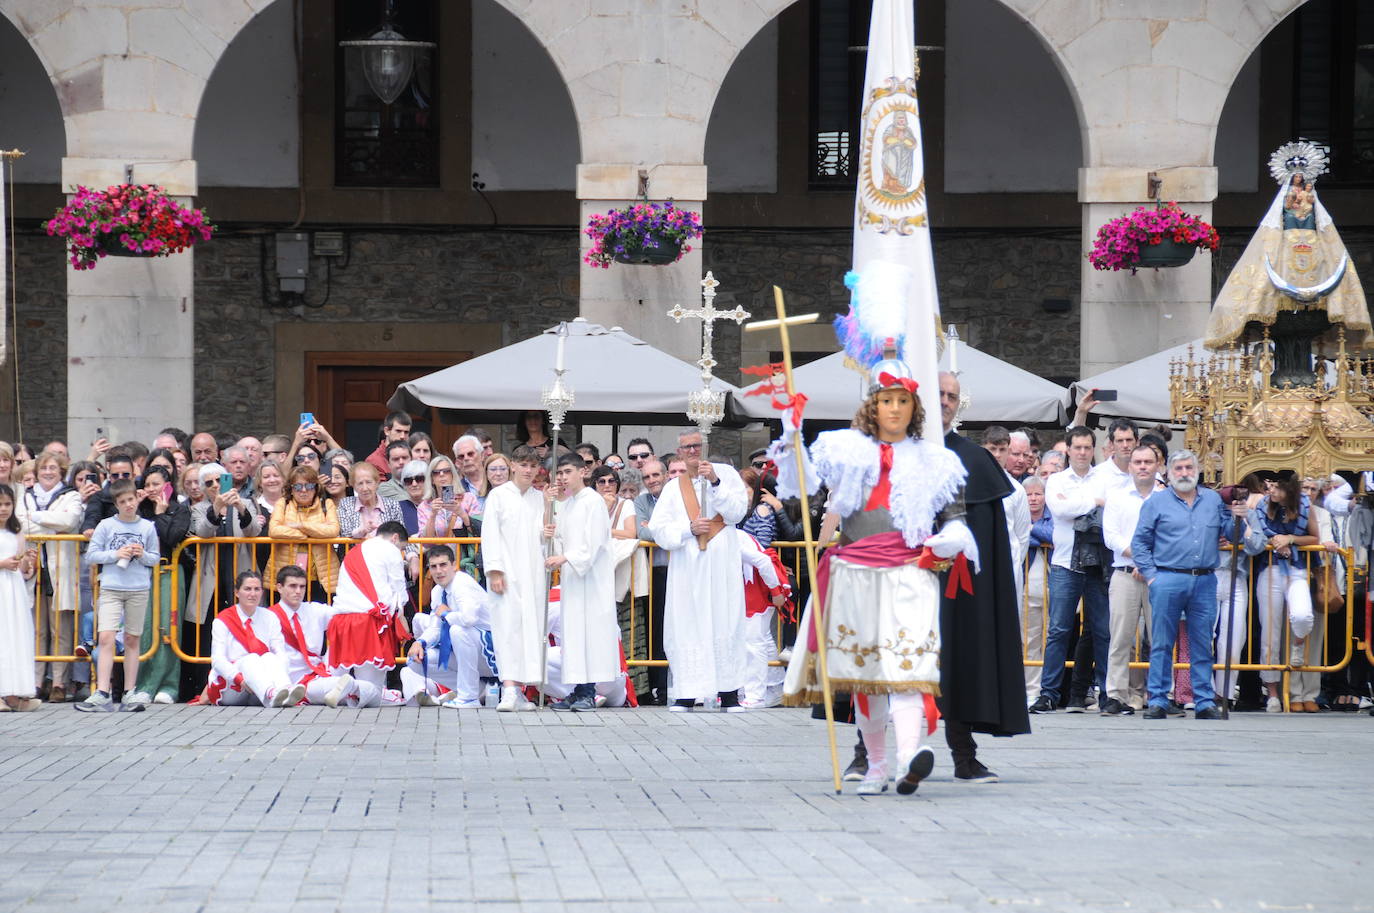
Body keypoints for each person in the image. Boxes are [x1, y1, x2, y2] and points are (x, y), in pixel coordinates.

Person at [774, 361, 976, 795]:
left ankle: (907, 760)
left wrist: (949, 540)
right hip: (855, 574)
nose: (894, 409)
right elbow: (800, 502)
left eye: (902, 401)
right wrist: (792, 439)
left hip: (909, 573)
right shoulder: (842, 451)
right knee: (865, 676)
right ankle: (877, 766)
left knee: (908, 669)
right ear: (872, 405)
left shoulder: (938, 461)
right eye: (887, 400)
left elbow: (957, 520)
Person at [937, 371, 1031, 782]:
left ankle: (964, 756)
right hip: (899, 578)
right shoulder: (891, 454)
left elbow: (986, 541)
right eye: (937, 393)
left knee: (958, 662)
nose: (944, 401)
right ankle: (867, 754)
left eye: (952, 396)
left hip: (954, 586)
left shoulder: (974, 461)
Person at [648, 429, 750, 713]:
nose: (692, 451)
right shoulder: (672, 488)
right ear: (679, 452)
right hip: (688, 566)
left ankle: (729, 693)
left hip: (722, 563)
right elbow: (659, 529)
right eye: (686, 448)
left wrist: (714, 482)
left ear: (705, 446)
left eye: (697, 446)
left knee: (725, 620)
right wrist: (688, 529)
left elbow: (738, 512)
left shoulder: (727, 474)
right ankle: (687, 693)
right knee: (688, 624)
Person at [1130, 450, 1232, 720]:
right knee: (1162, 642)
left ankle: (1203, 701)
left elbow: (1230, 533)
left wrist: (1238, 515)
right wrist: (1152, 576)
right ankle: (1159, 699)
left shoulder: (1212, 500)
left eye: (1189, 467)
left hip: (1205, 578)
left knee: (1202, 641)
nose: (1184, 473)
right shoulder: (1157, 502)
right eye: (1179, 468)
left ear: (1196, 470)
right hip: (1167, 577)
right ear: (1169, 472)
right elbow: (1140, 541)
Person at [1030, 425, 1110, 714]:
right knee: (1058, 629)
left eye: (1087, 447)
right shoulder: (1057, 481)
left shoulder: (1103, 478)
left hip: (1098, 562)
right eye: (1077, 447)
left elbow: (1107, 508)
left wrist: (1079, 504)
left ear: (1093, 449)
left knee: (1102, 630)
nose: (1082, 452)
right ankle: (1049, 693)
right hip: (1064, 562)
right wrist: (1091, 503)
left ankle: (1106, 693)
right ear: (1069, 449)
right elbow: (1060, 511)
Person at [75, 478, 160, 712]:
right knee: (106, 637)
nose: (128, 505)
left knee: (132, 639)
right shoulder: (105, 526)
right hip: (111, 586)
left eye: (131, 499)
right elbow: (91, 555)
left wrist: (141, 554)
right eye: (123, 501)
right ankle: (102, 691)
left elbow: (155, 558)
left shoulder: (147, 527)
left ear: (136, 498)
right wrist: (115, 554)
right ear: (116, 504)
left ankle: (129, 692)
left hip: (138, 587)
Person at [542, 453, 618, 712]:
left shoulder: (593, 502)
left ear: (582, 472)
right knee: (574, 634)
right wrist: (551, 533)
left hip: (592, 580)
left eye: (567, 471)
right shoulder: (568, 504)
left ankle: (589, 690)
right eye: (559, 473)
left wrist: (565, 557)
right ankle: (578, 689)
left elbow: (594, 543)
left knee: (591, 634)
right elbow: (561, 538)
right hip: (573, 580)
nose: (562, 477)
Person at [480, 445, 547, 711]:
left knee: (530, 629)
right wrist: (495, 569)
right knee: (507, 627)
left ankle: (520, 689)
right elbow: (490, 534)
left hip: (532, 573)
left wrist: (550, 526)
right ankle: (508, 688)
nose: (529, 470)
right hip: (506, 570)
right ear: (513, 466)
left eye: (533, 466)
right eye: (524, 465)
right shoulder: (498, 495)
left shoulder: (540, 498)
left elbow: (543, 537)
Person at [19, 449, 85, 703]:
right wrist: (49, 522)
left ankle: (59, 681)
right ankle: (36, 681)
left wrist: (35, 518)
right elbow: (20, 524)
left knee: (61, 628)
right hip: (33, 567)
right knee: (37, 628)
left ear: (61, 472)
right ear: (36, 472)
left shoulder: (71, 496)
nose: (48, 473)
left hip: (61, 568)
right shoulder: (25, 496)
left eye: (53, 469)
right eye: (44, 468)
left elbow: (70, 521)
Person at [265, 566, 380, 708]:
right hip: (293, 680)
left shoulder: (315, 609)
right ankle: (352, 688)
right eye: (293, 586)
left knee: (344, 637)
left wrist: (378, 609)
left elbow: (346, 614)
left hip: (321, 670)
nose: (298, 591)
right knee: (356, 689)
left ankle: (351, 689)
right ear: (279, 588)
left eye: (302, 586)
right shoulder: (268, 617)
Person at [1100, 444, 1159, 715]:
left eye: (1148, 461)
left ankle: (1160, 694)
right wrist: (1141, 559)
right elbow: (1111, 536)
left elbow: (1170, 535)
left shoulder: (1166, 496)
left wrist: (1147, 564)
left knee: (1160, 637)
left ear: (1158, 465)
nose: (1143, 466)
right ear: (1130, 465)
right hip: (1125, 573)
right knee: (1121, 638)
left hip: (1158, 575)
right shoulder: (1118, 496)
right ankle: (1115, 695)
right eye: (1138, 462)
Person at [125, 464, 190, 706]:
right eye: (148, 484)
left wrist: (161, 514)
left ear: (168, 485)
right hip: (142, 572)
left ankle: (168, 686)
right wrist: (137, 506)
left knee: (169, 629)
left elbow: (172, 538)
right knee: (144, 628)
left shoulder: (179, 510)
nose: (152, 489)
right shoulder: (139, 510)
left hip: (169, 571)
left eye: (157, 484)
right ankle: (144, 685)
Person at [1253, 474, 1318, 712]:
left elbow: (1314, 537)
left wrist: (1291, 538)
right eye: (1269, 485)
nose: (1271, 490)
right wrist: (1275, 542)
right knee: (1270, 633)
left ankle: (1297, 645)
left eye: (1277, 486)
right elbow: (1258, 537)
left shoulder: (1303, 504)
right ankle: (1271, 692)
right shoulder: (1261, 506)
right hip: (1269, 567)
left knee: (1302, 615)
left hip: (1297, 567)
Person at [401, 545, 496, 708]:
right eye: (433, 566)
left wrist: (446, 614)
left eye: (443, 565)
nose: (438, 571)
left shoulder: (462, 583)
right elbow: (435, 627)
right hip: (469, 650)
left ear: (454, 566)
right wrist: (420, 642)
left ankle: (469, 697)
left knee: (458, 630)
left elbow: (469, 618)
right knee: (415, 661)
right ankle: (477, 689)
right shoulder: (437, 591)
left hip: (493, 651)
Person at [326, 521, 411, 692]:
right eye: (402, 548)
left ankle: (344, 689)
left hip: (341, 619)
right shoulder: (391, 550)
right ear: (395, 538)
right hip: (369, 620)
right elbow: (399, 588)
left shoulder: (354, 551)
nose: (401, 552)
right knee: (373, 689)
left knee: (333, 678)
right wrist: (401, 612)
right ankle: (357, 691)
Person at [206, 571, 305, 708]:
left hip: (260, 685)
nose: (252, 594)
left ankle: (285, 690)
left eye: (257, 589)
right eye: (247, 589)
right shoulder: (222, 620)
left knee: (269, 657)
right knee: (251, 659)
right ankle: (272, 694)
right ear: (236, 592)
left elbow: (281, 653)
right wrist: (240, 679)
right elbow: (218, 660)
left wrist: (278, 676)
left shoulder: (270, 617)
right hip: (231, 685)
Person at [266, 466, 340, 601]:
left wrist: (301, 526)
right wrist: (308, 535)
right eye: (298, 487)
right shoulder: (283, 503)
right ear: (291, 489)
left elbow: (333, 530)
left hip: (320, 577)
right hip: (286, 575)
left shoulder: (327, 504)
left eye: (309, 486)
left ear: (316, 488)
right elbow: (274, 530)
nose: (304, 491)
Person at [632, 457, 670, 704]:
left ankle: (671, 687)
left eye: (656, 475)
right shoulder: (641, 500)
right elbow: (642, 532)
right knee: (655, 629)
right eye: (647, 477)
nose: (652, 480)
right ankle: (659, 686)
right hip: (654, 572)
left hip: (678, 571)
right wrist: (667, 530)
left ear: (665, 475)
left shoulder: (675, 497)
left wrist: (654, 526)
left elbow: (678, 530)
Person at [738, 528, 789, 709]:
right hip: (755, 589)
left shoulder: (732, 538)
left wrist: (775, 591)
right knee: (763, 641)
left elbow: (763, 561)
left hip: (758, 591)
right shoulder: (735, 535)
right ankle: (773, 690)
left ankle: (755, 695)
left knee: (754, 643)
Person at [0, 484, 40, 712]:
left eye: (7, 504)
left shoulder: (17, 532)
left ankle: (13, 693)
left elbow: (23, 569)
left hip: (12, 590)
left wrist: (27, 562)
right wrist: (3, 564)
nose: (4, 509)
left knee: (13, 637)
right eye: (0, 504)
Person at [1021, 476, 1052, 703]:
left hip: (1053, 587)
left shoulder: (1053, 515)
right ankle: (1030, 689)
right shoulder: (1019, 514)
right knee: (1029, 639)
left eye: (1038, 493)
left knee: (1051, 640)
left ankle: (1047, 689)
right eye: (1029, 494)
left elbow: (1054, 536)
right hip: (1027, 588)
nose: (1033, 498)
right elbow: (1019, 538)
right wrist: (1034, 532)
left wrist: (1032, 529)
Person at [337, 462, 404, 540]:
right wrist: (362, 530)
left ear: (377, 483)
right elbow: (345, 533)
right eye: (360, 483)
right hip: (356, 551)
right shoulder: (346, 504)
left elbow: (401, 534)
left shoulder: (392, 505)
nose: (365, 488)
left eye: (369, 482)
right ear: (353, 486)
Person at [364, 411, 412, 477]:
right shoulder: (374, 461)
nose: (402, 436)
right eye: (398, 431)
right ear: (387, 431)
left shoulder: (413, 456)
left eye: (406, 432)